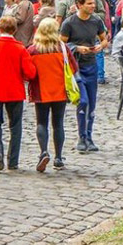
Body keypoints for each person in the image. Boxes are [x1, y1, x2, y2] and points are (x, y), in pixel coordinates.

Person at [0, 16, 36, 170]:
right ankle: (13, 161)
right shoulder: (20, 48)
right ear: (15, 29)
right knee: (15, 126)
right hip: (15, 91)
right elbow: (30, 73)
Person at [27, 18, 77, 170]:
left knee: (41, 123)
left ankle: (43, 152)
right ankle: (59, 157)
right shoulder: (62, 48)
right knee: (58, 124)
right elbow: (73, 68)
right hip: (60, 91)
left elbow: (28, 73)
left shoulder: (33, 50)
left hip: (40, 91)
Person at [61, 0, 108, 152]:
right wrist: (76, 48)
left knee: (92, 103)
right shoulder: (69, 23)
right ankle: (81, 137)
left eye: (93, 3)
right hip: (76, 68)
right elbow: (62, 45)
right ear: (79, 5)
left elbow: (104, 39)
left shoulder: (96, 21)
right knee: (83, 101)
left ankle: (89, 136)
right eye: (89, 3)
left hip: (91, 65)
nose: (93, 6)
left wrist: (100, 46)